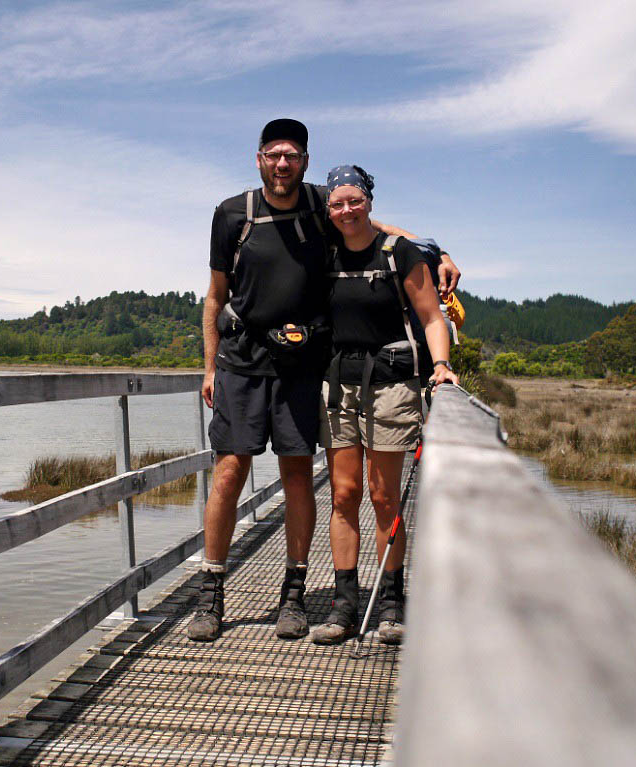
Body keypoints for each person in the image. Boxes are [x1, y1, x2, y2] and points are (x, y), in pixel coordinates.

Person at [189, 120, 461, 643]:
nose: (283, 164)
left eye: (292, 155)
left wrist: (437, 251)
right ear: (259, 159)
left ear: (306, 161)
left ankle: (294, 594)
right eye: (274, 155)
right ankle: (211, 591)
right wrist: (208, 367)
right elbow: (214, 296)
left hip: (301, 364)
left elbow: (382, 231)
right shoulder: (232, 215)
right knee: (228, 473)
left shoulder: (322, 203)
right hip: (242, 361)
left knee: (297, 475)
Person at [311, 165, 459, 646]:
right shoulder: (325, 249)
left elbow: (432, 317)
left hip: (393, 385)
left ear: (370, 201)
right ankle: (344, 605)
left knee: (383, 496)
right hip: (339, 388)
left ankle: (392, 602)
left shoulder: (399, 253)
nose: (347, 210)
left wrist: (440, 365)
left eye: (355, 200)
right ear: (329, 208)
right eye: (338, 203)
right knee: (343, 495)